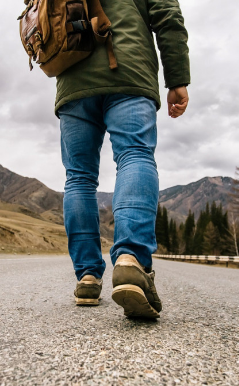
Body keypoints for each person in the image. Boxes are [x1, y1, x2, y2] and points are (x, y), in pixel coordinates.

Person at [57, 0, 190, 318]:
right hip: (129, 72)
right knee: (135, 155)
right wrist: (178, 80)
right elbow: (168, 17)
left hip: (73, 78)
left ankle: (88, 275)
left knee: (79, 177)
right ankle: (131, 259)